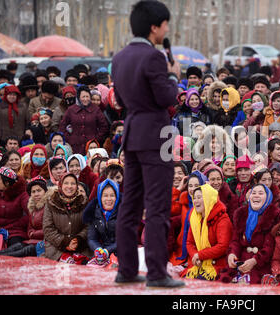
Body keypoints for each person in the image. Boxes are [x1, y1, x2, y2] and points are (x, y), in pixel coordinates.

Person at [111, 0, 184, 287]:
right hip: (155, 135)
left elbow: (119, 99)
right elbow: (167, 97)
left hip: (132, 133)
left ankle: (126, 269)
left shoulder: (119, 58)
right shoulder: (153, 57)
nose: (167, 29)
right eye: (165, 24)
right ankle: (156, 272)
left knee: (129, 205)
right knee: (157, 206)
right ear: (155, 27)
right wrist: (173, 75)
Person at [221, 184, 280, 284]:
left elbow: (270, 247)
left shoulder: (273, 216)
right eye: (254, 193)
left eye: (261, 193)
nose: (256, 195)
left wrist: (254, 261)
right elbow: (235, 241)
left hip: (261, 264)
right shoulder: (241, 214)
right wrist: (232, 254)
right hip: (241, 261)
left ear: (268, 198)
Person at [181, 184, 233, 281]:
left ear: (209, 198)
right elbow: (189, 242)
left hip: (216, 265)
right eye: (194, 198)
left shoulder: (222, 218)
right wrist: (195, 256)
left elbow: (223, 246)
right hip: (198, 264)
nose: (195, 201)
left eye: (199, 197)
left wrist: (200, 255)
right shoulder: (195, 217)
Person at [0, 176, 48, 258]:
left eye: (39, 191)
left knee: (28, 250)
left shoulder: (49, 207)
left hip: (45, 243)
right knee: (18, 246)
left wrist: (33, 234)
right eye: (33, 192)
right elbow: (30, 228)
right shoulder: (33, 208)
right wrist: (31, 233)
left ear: (45, 191)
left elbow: (49, 230)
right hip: (33, 240)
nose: (36, 194)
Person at [43, 173, 92, 264]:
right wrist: (65, 242)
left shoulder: (84, 201)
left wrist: (78, 240)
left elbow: (88, 225)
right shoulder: (51, 202)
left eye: (73, 183)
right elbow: (48, 229)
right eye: (66, 183)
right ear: (61, 185)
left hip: (80, 247)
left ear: (77, 186)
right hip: (56, 248)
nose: (69, 186)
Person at [59, 85, 109, 155]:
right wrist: (69, 138)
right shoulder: (71, 109)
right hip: (75, 146)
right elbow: (62, 126)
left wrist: (96, 139)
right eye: (83, 97)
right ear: (79, 97)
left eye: (87, 96)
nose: (85, 99)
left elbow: (104, 127)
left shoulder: (96, 109)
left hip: (91, 146)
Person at [83, 179, 121, 267]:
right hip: (103, 253)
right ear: (100, 197)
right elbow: (92, 238)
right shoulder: (95, 212)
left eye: (112, 195)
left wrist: (107, 251)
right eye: (105, 195)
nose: (108, 199)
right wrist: (98, 249)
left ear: (117, 197)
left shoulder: (124, 212)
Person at [0, 167, 29, 248]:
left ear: (6, 183)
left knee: (17, 247)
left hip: (14, 232)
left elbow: (31, 212)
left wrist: (15, 225)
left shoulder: (21, 194)